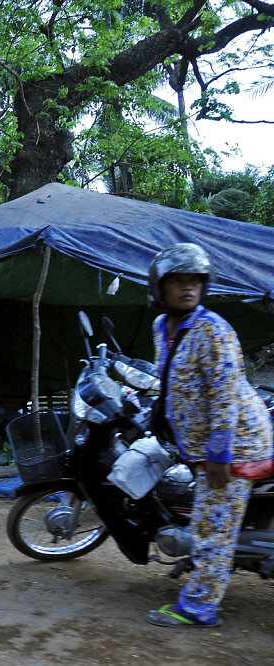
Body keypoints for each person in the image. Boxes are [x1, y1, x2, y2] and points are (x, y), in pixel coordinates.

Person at [143, 243, 273, 629]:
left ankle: (199, 607)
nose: (188, 288)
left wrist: (219, 455)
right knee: (205, 521)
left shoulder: (213, 330)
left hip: (236, 444)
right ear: (159, 287)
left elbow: (224, 396)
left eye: (195, 281)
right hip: (203, 445)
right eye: (178, 281)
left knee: (211, 527)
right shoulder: (162, 328)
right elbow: (168, 379)